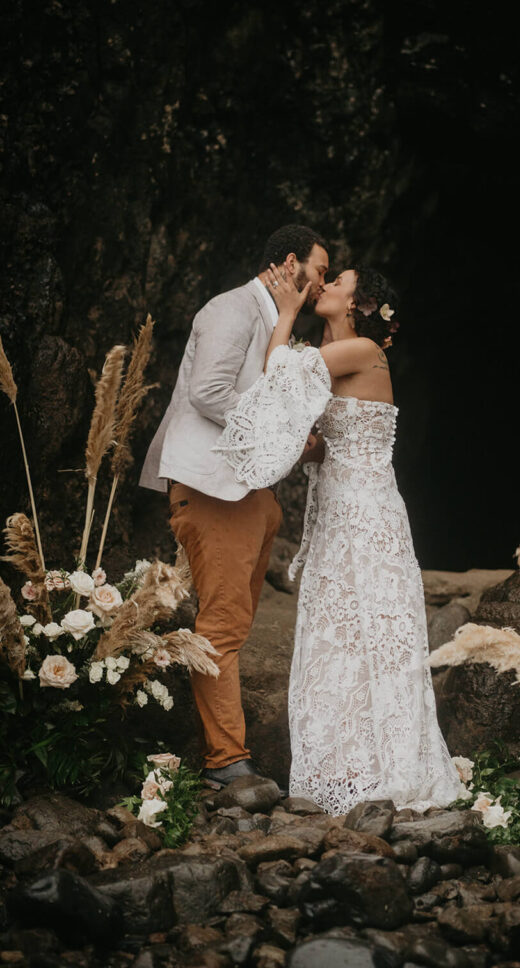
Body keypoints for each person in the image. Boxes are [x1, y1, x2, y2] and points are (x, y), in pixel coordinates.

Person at [214, 262, 469, 814]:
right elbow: (318, 429)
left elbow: (278, 376)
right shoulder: (339, 360)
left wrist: (283, 314)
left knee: (372, 634)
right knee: (338, 637)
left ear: (359, 305)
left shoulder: (361, 352)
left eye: (338, 283)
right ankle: (345, 771)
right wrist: (311, 449)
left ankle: (390, 771)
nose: (323, 287)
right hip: (336, 515)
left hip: (366, 515)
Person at [139, 225, 329, 789]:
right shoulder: (231, 308)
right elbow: (208, 392)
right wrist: (286, 434)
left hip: (249, 496)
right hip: (213, 491)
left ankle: (228, 754)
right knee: (221, 627)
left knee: (235, 626)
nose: (320, 283)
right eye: (319, 269)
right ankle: (227, 763)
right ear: (290, 264)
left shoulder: (275, 325)